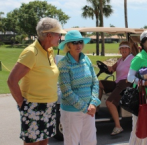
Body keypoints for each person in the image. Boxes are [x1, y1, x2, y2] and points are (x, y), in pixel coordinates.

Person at [7, 17, 66, 145]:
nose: (60, 37)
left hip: (49, 106)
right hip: (33, 106)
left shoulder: (49, 51)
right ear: (49, 35)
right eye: (58, 34)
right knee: (32, 143)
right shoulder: (31, 52)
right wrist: (22, 104)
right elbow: (12, 81)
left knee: (44, 141)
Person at [57, 30, 101, 145]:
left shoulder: (86, 59)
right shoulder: (63, 64)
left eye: (80, 42)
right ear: (68, 45)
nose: (78, 45)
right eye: (74, 42)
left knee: (90, 142)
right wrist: (85, 107)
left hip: (89, 110)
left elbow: (95, 82)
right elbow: (66, 91)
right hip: (72, 111)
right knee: (72, 142)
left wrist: (93, 103)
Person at [98, 41, 134, 135]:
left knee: (109, 102)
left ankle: (118, 126)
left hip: (125, 83)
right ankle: (96, 108)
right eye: (122, 48)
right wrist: (108, 68)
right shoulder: (120, 60)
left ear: (129, 49)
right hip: (117, 82)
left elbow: (137, 71)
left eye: (125, 48)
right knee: (99, 83)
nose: (123, 50)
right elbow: (112, 69)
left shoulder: (132, 59)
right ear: (120, 50)